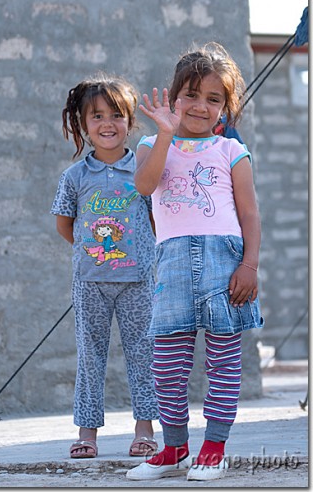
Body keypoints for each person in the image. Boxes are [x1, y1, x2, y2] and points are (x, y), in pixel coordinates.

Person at [126, 42, 264, 481]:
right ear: (172, 97)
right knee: (167, 364)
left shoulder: (230, 152)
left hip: (225, 264)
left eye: (213, 98)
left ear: (225, 107)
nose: (200, 106)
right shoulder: (151, 143)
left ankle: (214, 449)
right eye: (190, 95)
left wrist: (250, 265)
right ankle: (175, 449)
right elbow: (146, 187)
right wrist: (166, 133)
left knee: (223, 361)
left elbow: (250, 214)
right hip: (172, 265)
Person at [50, 73, 159, 459]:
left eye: (116, 115)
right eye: (97, 116)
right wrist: (93, 254)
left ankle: (145, 429)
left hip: (138, 281)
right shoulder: (75, 176)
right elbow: (65, 224)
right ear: (83, 124)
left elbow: (156, 221)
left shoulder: (143, 171)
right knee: (89, 355)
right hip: (90, 282)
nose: (107, 124)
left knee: (143, 354)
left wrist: (139, 255)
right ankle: (87, 433)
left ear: (130, 122)